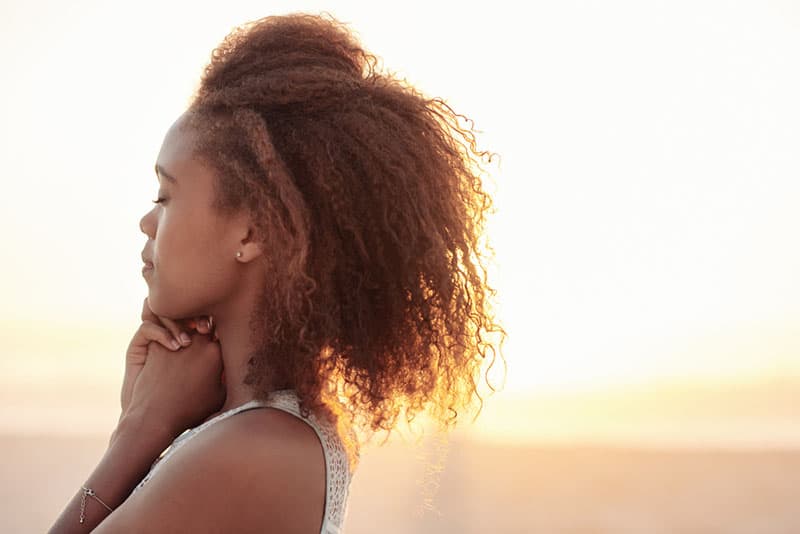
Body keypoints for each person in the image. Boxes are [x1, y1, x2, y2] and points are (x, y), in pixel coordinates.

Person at [49, 12, 505, 533]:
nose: (147, 221)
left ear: (251, 234)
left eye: (166, 195)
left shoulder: (252, 449)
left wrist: (136, 432)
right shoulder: (268, 428)